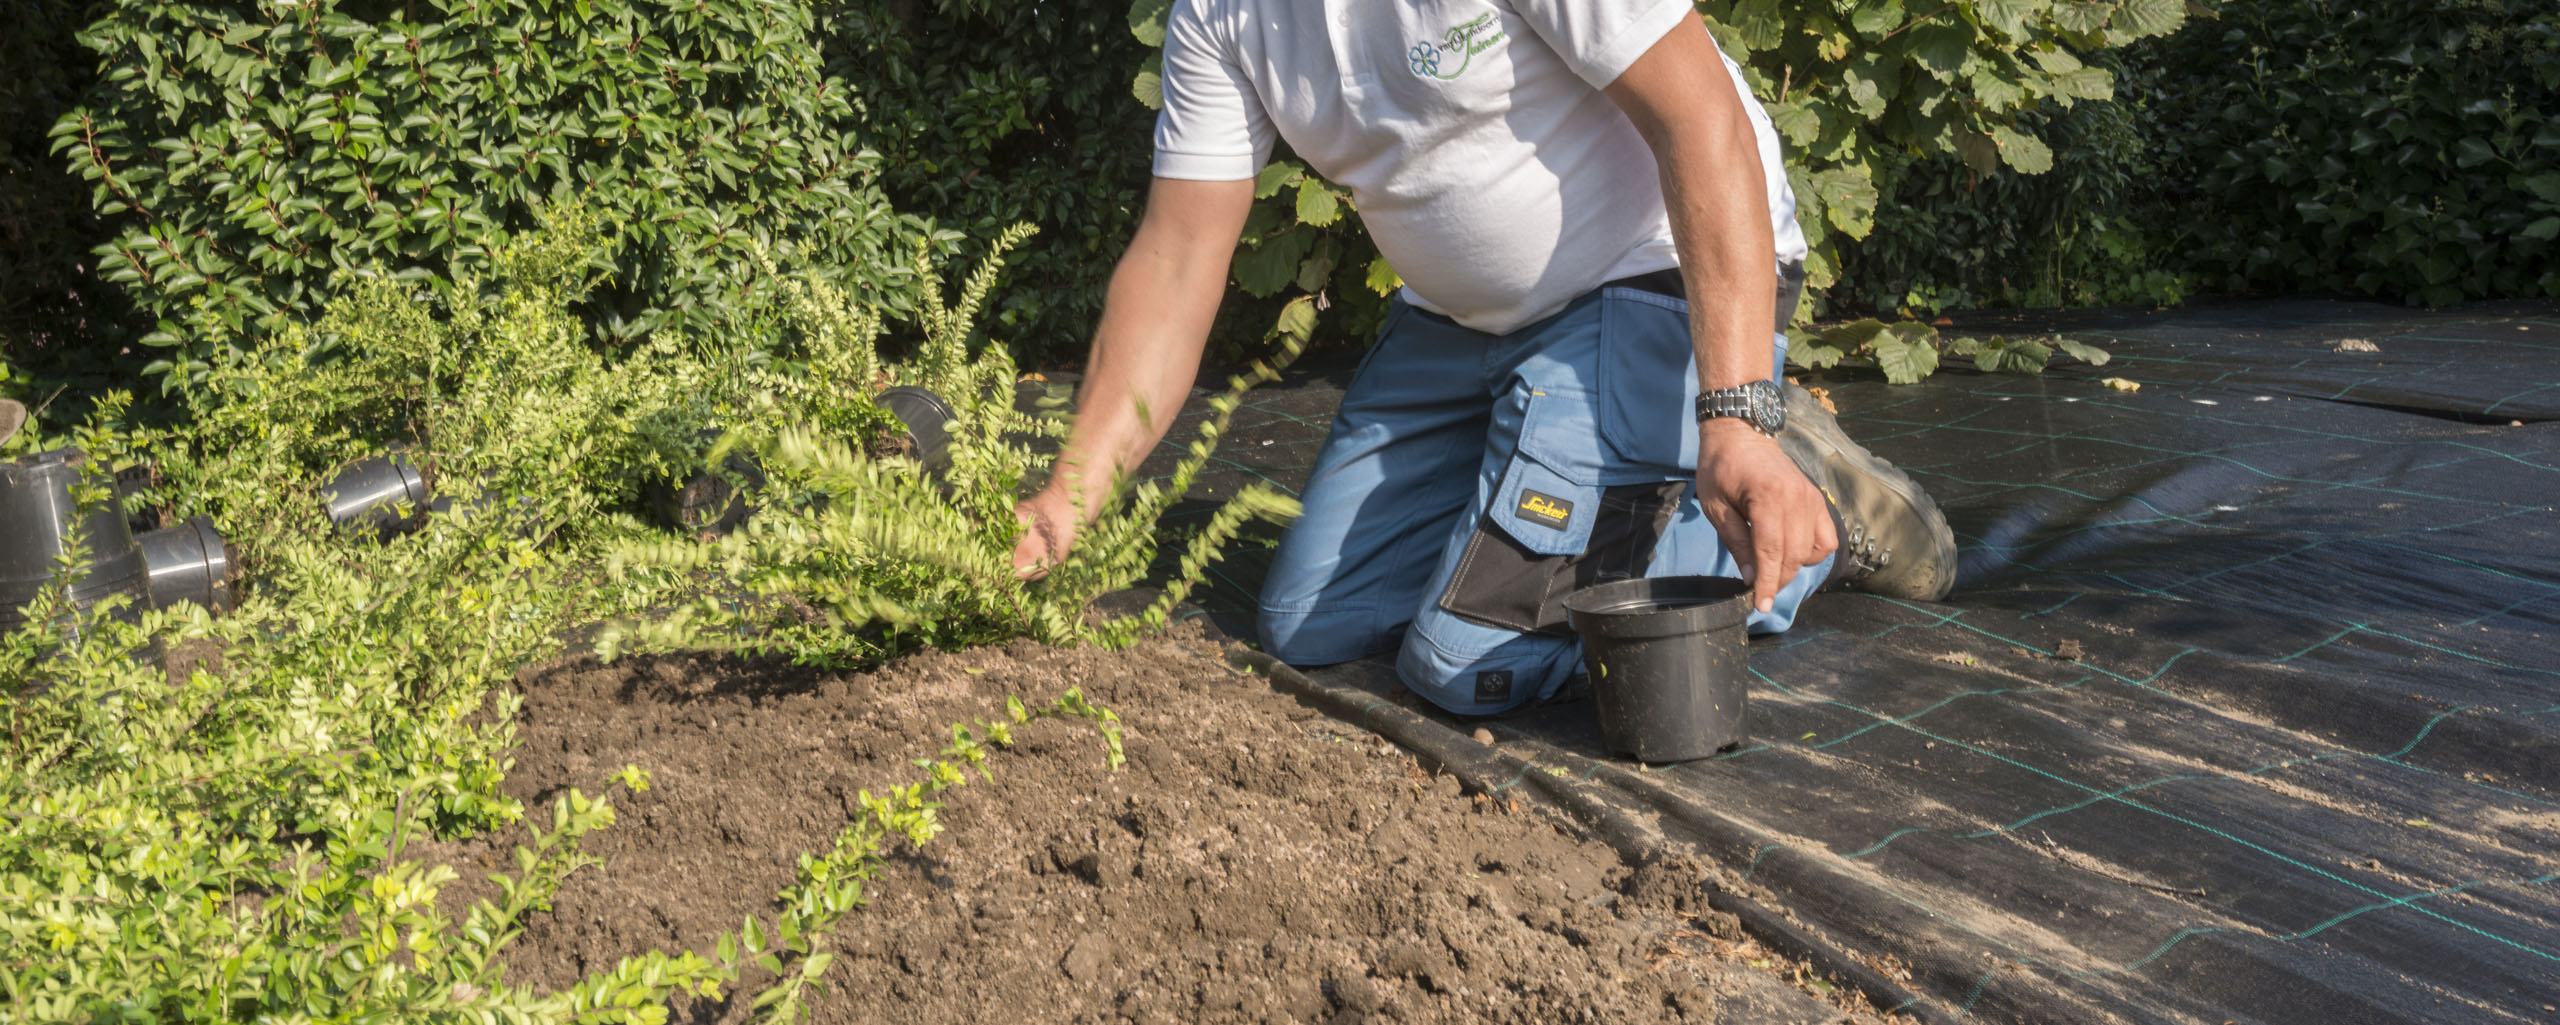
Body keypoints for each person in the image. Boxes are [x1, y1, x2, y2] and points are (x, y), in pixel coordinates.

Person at [1011, 0, 1957, 716]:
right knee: (1309, 624)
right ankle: (1584, 466)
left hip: (1651, 277)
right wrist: (1067, 498)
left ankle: (1788, 478)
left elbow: (1700, 123)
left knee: (1465, 662)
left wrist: (1737, 410)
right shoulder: (1221, 16)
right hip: (1464, 325)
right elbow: (1177, 259)